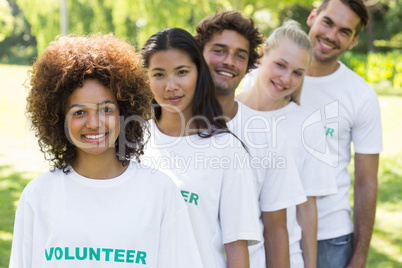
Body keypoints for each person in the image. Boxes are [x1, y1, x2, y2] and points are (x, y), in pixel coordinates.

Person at [9, 34, 203, 268]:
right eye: (79, 112)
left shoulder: (159, 192)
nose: (93, 123)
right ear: (58, 119)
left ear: (125, 112)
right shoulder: (38, 195)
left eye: (106, 109)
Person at [195, 11, 309, 268]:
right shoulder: (169, 128)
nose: (229, 61)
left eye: (240, 55)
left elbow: (276, 230)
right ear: (198, 54)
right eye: (219, 50)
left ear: (249, 65)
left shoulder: (267, 136)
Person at [140, 27, 261, 268]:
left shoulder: (227, 150)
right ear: (146, 78)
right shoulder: (132, 141)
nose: (171, 85)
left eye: (182, 72)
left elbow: (237, 250)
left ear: (199, 73)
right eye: (159, 74)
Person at [239, 20, 338, 268]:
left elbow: (306, 209)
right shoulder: (226, 114)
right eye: (280, 65)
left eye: (297, 72)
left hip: (286, 257)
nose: (285, 78)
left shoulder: (307, 126)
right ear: (262, 54)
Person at [300, 0, 383, 267]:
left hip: (330, 237)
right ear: (313, 17)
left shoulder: (360, 94)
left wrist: (359, 257)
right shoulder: (271, 78)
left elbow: (366, 182)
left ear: (353, 40)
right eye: (328, 22)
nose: (332, 36)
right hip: (268, 227)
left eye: (344, 32)